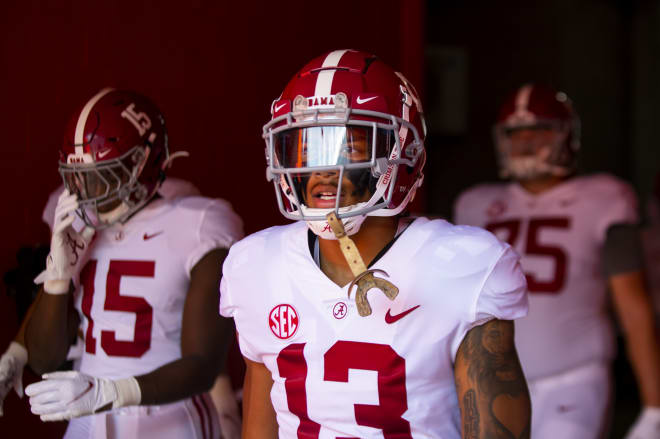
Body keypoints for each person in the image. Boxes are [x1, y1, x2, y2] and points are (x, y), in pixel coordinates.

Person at [219, 49, 531, 438]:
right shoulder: (255, 265)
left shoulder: (462, 265)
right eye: (305, 147)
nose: (321, 170)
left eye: (348, 147)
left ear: (401, 153)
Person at [20, 88, 244, 438]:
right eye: (81, 175)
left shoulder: (199, 222)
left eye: (105, 173)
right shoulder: (75, 222)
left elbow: (205, 363)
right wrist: (58, 274)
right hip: (86, 415)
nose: (90, 189)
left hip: (168, 420)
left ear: (144, 161)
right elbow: (44, 360)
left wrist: (112, 392)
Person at [454, 83, 660, 439]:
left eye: (541, 129)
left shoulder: (605, 198)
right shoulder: (473, 204)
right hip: (488, 378)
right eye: (516, 133)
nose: (527, 142)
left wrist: (654, 405)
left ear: (568, 137)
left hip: (573, 378)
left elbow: (633, 305)